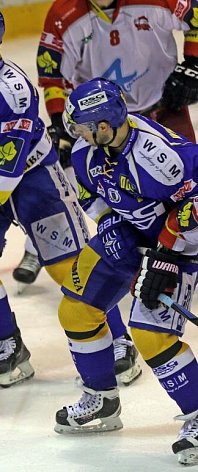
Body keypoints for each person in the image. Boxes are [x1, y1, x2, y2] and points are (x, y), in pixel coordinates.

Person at [0, 2, 140, 388]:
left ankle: (117, 342)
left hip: (33, 181)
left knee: (69, 269)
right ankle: (9, 344)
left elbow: (7, 159)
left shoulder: (13, 90)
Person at [56, 77, 198, 465]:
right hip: (130, 232)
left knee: (150, 335)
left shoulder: (161, 157)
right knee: (76, 309)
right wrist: (110, 227)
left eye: (84, 127)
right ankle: (101, 399)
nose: (78, 135)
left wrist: (166, 258)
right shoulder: (88, 153)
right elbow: (92, 197)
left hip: (185, 243)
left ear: (104, 126)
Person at [16, 0, 198, 289]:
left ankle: (183, 253)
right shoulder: (63, 14)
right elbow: (52, 77)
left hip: (164, 106)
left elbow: (196, 14)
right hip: (100, 125)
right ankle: (42, 245)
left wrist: (193, 64)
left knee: (188, 186)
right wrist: (59, 123)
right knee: (96, 189)